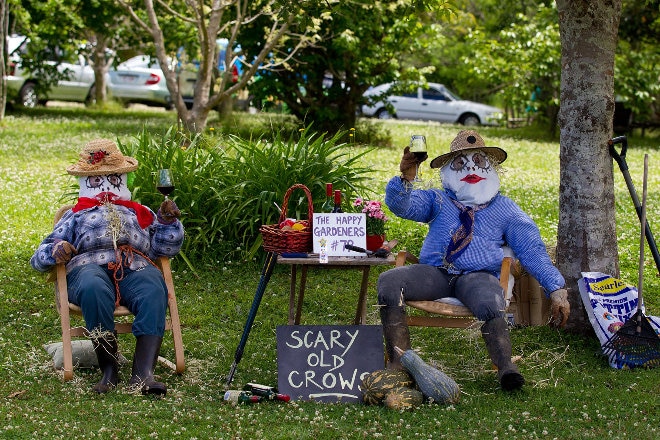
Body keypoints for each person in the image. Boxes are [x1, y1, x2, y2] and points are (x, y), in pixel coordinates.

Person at [377, 130, 570, 391]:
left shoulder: (505, 209)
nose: (470, 168)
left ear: (492, 169)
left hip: (478, 275)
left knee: (491, 300)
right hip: (436, 272)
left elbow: (531, 249)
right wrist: (407, 175)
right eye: (459, 163)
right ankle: (399, 364)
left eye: (479, 160)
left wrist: (556, 289)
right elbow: (403, 206)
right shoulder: (438, 199)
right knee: (389, 281)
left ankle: (506, 369)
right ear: (446, 170)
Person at [31, 139, 184, 396]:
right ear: (85, 182)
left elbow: (164, 250)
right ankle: (109, 369)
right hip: (87, 267)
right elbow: (39, 257)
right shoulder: (75, 215)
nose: (105, 184)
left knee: (152, 286)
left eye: (112, 177)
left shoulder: (139, 212)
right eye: (96, 179)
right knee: (93, 288)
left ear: (122, 178)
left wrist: (167, 223)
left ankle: (143, 374)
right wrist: (56, 251)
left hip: (133, 265)